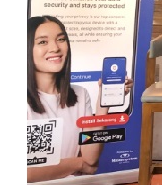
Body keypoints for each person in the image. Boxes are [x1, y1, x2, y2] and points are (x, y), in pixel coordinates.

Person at [26, 15, 134, 183]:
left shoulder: (80, 95)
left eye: (61, 39)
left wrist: (103, 105)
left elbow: (91, 158)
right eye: (42, 42)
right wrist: (78, 163)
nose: (55, 48)